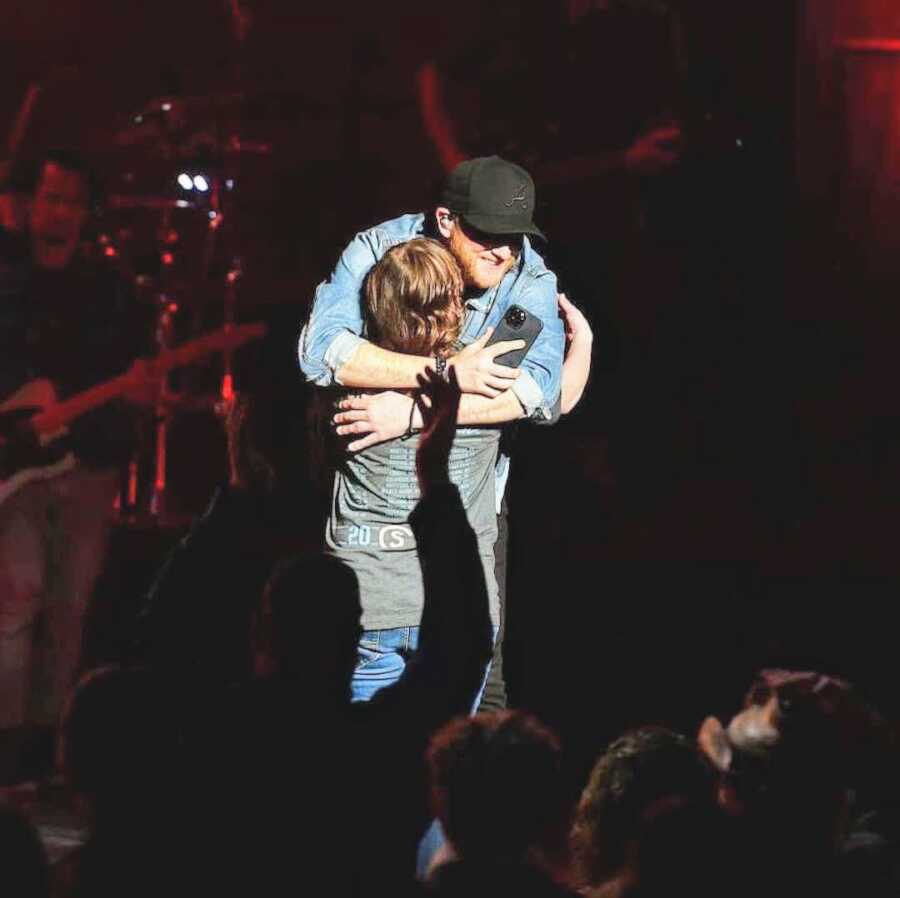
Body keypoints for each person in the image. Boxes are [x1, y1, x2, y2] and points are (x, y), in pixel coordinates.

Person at [199, 370, 494, 896]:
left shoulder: (219, 746)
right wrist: (435, 474)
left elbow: (167, 634)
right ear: (350, 634)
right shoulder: (378, 752)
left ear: (260, 634)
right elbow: (462, 644)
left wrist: (239, 489)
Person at [300, 155, 567, 710]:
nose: (504, 252)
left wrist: (413, 411)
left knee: (477, 710)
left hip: (469, 516)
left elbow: (536, 393)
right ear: (445, 221)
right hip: (376, 551)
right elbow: (320, 353)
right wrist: (446, 377)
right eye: (489, 235)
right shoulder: (378, 250)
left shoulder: (527, 275)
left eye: (516, 237)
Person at [0, 150, 156, 737]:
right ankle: (8, 748)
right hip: (17, 471)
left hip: (88, 467)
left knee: (69, 614)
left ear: (87, 213)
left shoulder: (114, 295)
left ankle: (45, 747)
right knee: (17, 604)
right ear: (31, 205)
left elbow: (138, 385)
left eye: (69, 202)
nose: (56, 214)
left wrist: (139, 394)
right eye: (49, 199)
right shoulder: (7, 284)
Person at [325, 238, 503, 701]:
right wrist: (582, 343)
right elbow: (553, 397)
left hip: (368, 603)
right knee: (443, 763)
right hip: (457, 606)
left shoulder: (342, 386)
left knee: (365, 765)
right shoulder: (490, 380)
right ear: (455, 303)